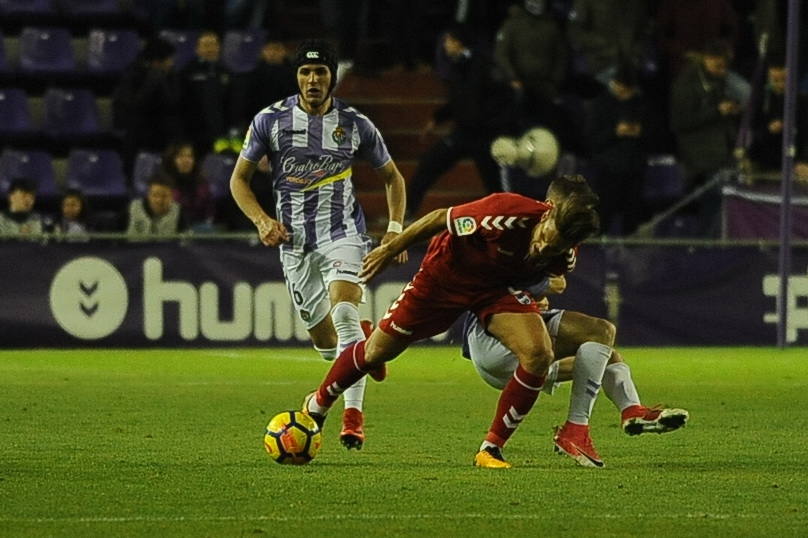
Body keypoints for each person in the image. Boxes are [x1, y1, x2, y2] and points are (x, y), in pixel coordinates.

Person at [301, 175, 601, 469]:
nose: (543, 248)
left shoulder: (563, 256)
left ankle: (491, 449)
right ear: (546, 214)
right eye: (545, 238)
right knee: (375, 352)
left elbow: (541, 273)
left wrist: (536, 292)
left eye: (555, 248)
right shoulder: (506, 212)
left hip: (494, 291)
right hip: (444, 278)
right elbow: (438, 218)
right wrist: (389, 249)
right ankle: (317, 406)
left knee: (539, 354)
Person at [230, 39, 408, 450]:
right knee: (330, 349)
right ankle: (364, 346)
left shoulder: (356, 124)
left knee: (344, 313)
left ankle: (352, 418)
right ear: (297, 77)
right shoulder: (269, 121)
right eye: (306, 73)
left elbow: (393, 178)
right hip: (293, 243)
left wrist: (395, 228)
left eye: (321, 73)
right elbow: (238, 180)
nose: (313, 80)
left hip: (342, 233)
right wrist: (261, 220)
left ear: (332, 78)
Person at [463, 274, 689, 468]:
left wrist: (535, 293)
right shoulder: (520, 237)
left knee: (606, 355)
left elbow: (551, 282)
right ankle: (575, 429)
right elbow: (545, 281)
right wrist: (539, 286)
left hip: (493, 355)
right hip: (496, 342)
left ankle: (631, 410)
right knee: (600, 331)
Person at [407, 25, 517, 218]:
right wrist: (437, 118)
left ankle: (508, 218)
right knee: (428, 165)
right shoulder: (457, 66)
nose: (445, 45)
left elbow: (503, 97)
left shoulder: (484, 65)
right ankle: (406, 212)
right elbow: (459, 100)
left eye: (448, 41)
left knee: (494, 183)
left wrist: (492, 125)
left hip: (485, 137)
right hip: (463, 133)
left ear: (458, 42)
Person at [113, 37, 183, 172]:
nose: (172, 63)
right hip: (137, 136)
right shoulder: (132, 74)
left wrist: (161, 81)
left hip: (165, 134)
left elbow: (173, 102)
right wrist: (152, 81)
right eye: (169, 59)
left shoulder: (172, 75)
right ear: (157, 62)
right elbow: (132, 105)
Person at [748, 60, 808, 183]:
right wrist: (769, 130)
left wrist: (804, 161)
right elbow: (753, 133)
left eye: (784, 80)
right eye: (775, 80)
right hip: (765, 163)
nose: (780, 84)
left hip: (795, 163)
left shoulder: (802, 102)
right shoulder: (761, 101)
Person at [180, 31, 235, 156]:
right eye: (205, 45)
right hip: (193, 131)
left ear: (219, 47)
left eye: (213, 44)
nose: (210, 49)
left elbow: (232, 103)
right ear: (197, 49)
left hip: (220, 133)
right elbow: (182, 102)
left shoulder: (227, 72)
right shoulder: (188, 71)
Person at [156, 141, 215, 228]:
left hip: (198, 230)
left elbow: (209, 211)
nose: (186, 160)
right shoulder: (161, 183)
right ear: (171, 159)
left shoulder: (201, 182)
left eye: (189, 156)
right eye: (180, 156)